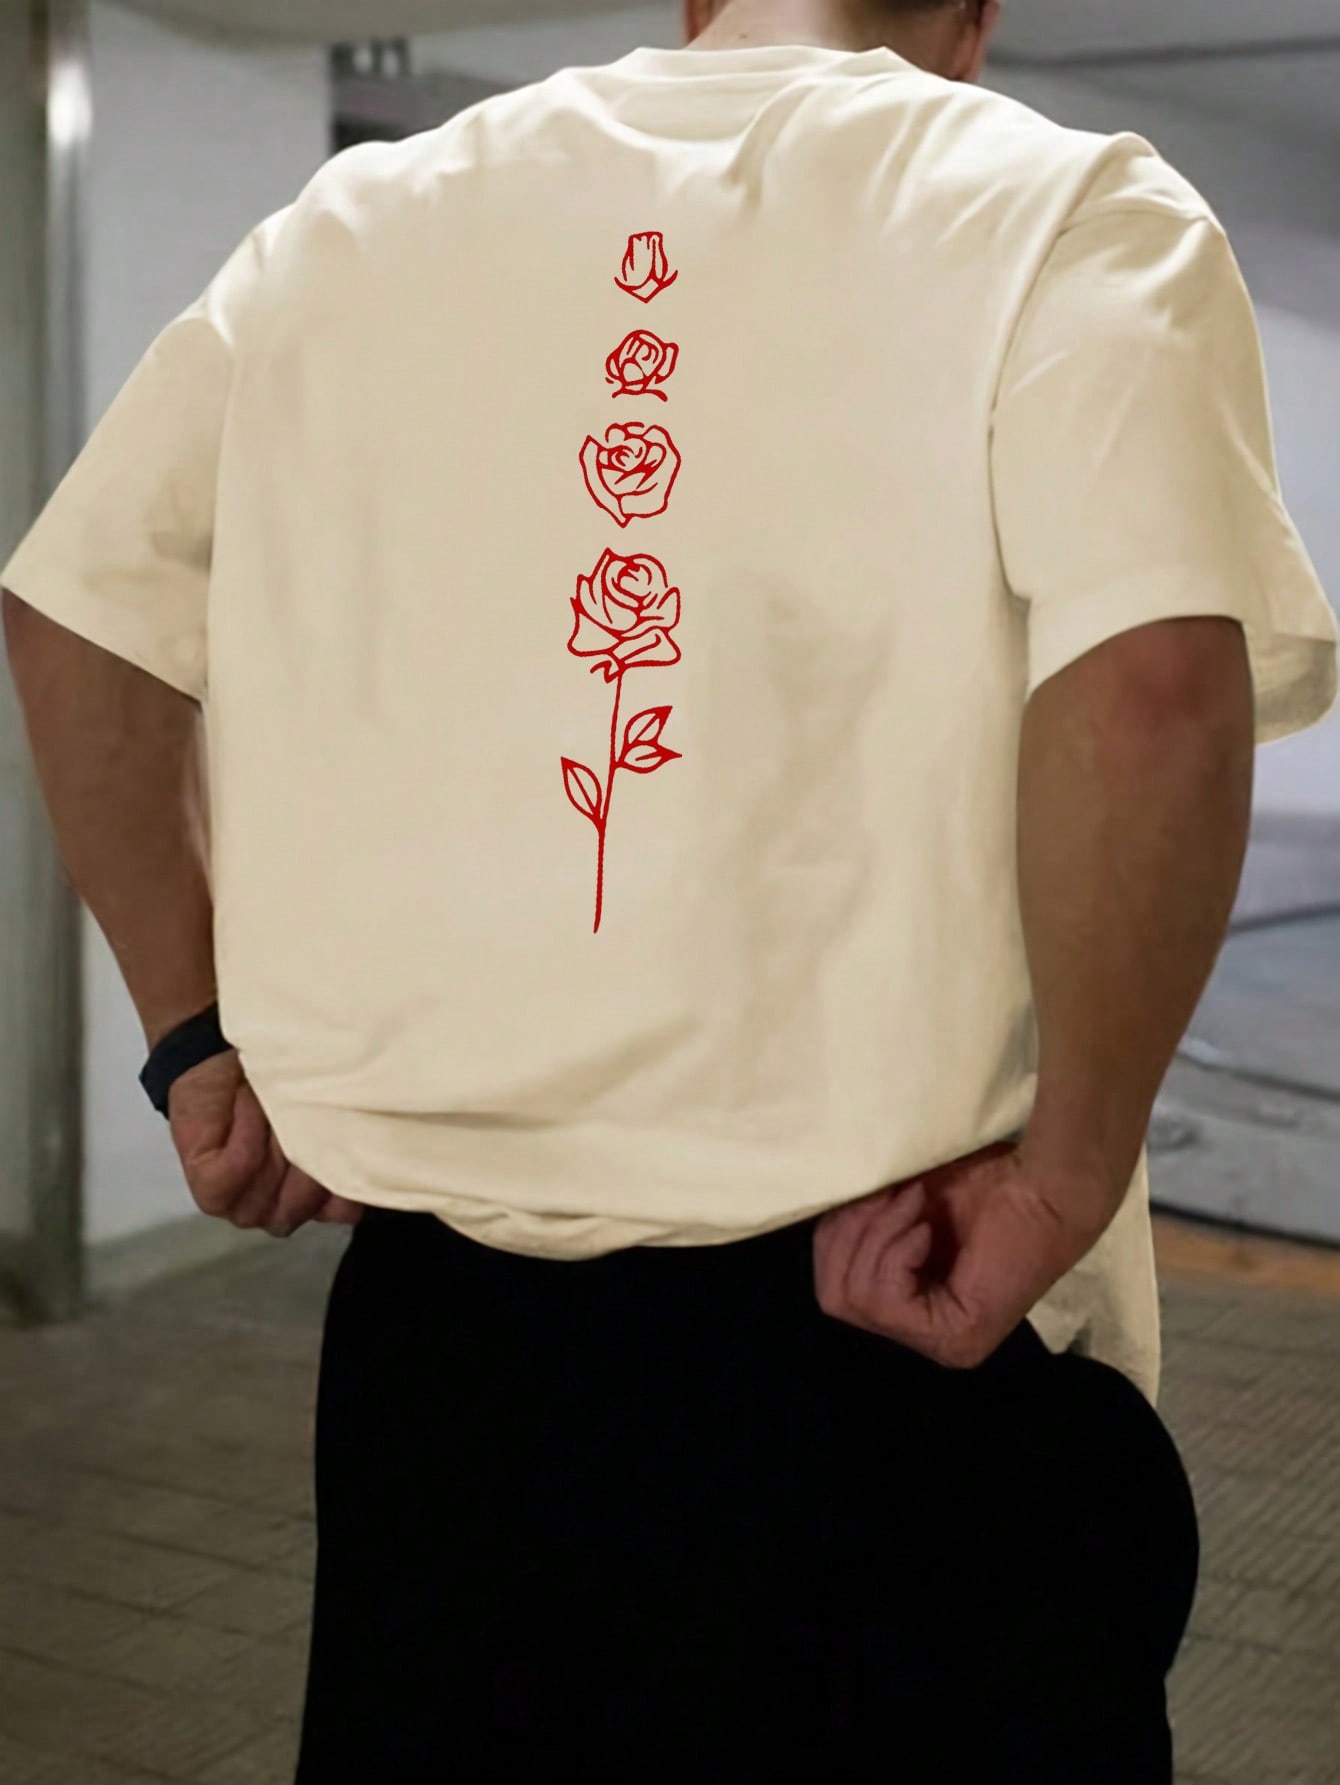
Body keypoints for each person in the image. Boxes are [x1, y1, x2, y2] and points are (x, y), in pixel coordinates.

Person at [4, 0, 1337, 1775]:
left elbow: (74, 619)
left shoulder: (354, 222)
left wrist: (194, 1040)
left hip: (445, 1356)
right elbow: (1156, 690)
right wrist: (1069, 1167)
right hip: (896, 1305)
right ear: (972, 24)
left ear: (695, 5)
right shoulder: (1071, 209)